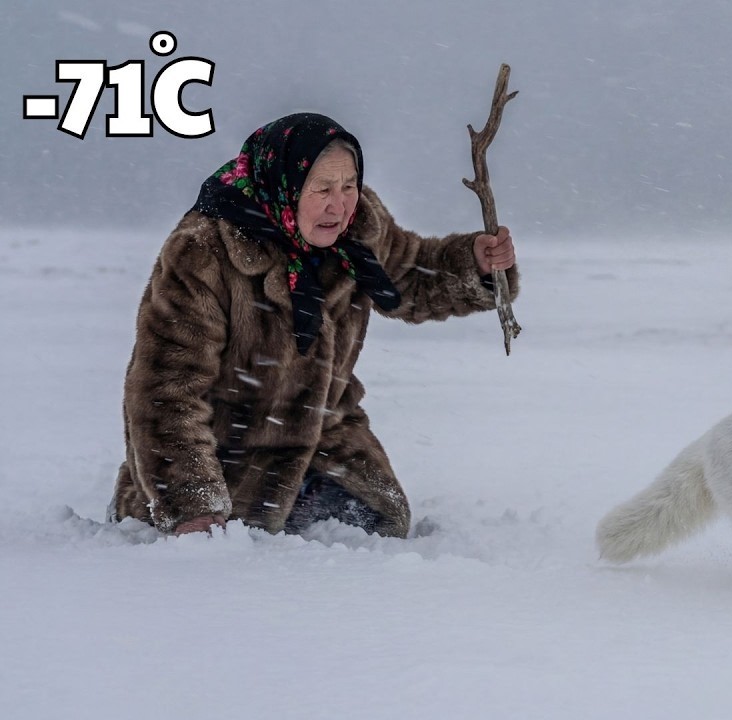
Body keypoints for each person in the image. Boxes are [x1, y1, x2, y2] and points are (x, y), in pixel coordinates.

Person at [109, 112, 518, 538]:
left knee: (374, 535)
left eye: (348, 186)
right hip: (228, 457)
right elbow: (166, 393)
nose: (338, 206)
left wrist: (473, 263)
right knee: (235, 549)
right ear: (284, 183)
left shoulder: (361, 228)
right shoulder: (203, 253)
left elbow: (412, 275)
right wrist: (192, 502)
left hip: (328, 446)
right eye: (322, 188)